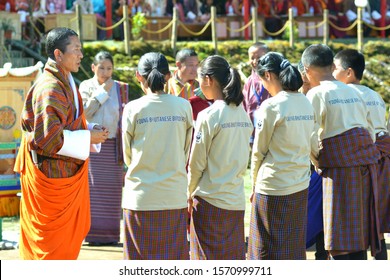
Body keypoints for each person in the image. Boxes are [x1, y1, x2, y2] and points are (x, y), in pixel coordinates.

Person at [13, 27, 109, 260]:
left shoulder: (64, 80)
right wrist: (88, 138)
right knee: (51, 250)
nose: (81, 55)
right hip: (52, 177)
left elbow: (65, 125)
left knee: (65, 245)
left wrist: (89, 129)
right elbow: (49, 138)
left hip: (63, 174)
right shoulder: (51, 86)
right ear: (58, 54)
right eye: (76, 50)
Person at [301, 44, 381, 260]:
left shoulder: (316, 93)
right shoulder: (353, 91)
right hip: (365, 163)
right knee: (358, 229)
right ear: (331, 65)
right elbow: (369, 130)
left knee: (338, 231)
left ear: (306, 70)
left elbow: (309, 134)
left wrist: (317, 160)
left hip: (337, 168)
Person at [121, 52, 193, 260]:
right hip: (173, 195)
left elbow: (128, 155)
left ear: (138, 76)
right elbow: (185, 150)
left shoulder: (132, 108)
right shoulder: (183, 106)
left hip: (140, 196)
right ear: (169, 76)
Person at [247, 52, 316, 260]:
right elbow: (312, 144)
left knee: (264, 248)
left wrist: (253, 185)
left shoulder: (271, 106)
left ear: (268, 75)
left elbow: (258, 151)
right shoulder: (305, 102)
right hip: (300, 183)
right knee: (293, 246)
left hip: (272, 186)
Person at [187, 55, 253, 260]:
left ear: (208, 80)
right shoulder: (241, 113)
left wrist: (188, 192)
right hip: (235, 199)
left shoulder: (209, 115)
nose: (198, 86)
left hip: (209, 199)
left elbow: (196, 163)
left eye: (199, 81)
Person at [79, 51, 140, 246]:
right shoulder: (86, 86)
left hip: (113, 144)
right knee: (91, 190)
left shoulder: (120, 88)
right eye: (102, 68)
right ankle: (92, 235)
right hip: (91, 145)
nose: (105, 72)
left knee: (113, 191)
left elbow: (125, 118)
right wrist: (102, 92)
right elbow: (85, 113)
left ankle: (111, 235)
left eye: (109, 68)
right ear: (93, 68)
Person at [333, 49, 389, 260]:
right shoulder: (374, 94)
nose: (331, 72)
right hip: (382, 161)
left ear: (348, 72)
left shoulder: (345, 95)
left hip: (361, 162)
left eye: (335, 68)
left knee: (354, 220)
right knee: (377, 220)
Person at [297, 60, 328, 260]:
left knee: (322, 215)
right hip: (303, 166)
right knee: (309, 215)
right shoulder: (299, 99)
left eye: (306, 81)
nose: (305, 85)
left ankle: (322, 254)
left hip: (319, 162)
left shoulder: (320, 95)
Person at [242, 42, 271, 145]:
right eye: (252, 58)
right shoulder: (249, 82)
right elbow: (244, 107)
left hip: (271, 132)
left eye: (259, 58)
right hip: (253, 132)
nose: (255, 61)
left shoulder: (273, 80)